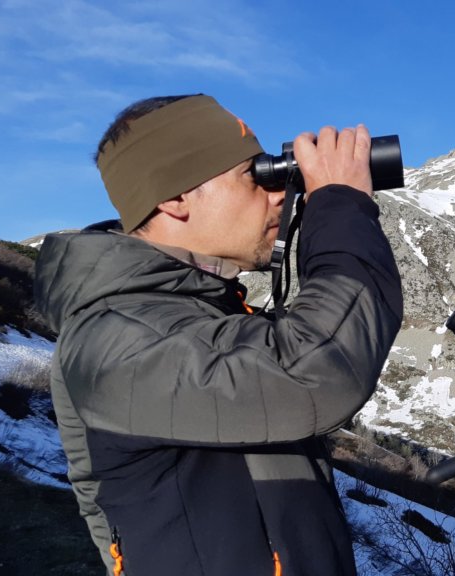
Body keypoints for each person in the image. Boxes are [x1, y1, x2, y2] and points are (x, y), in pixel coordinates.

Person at [34, 94, 403, 576]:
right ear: (175, 197)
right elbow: (317, 371)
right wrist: (340, 205)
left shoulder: (198, 316)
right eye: (254, 175)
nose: (278, 194)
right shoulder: (114, 341)